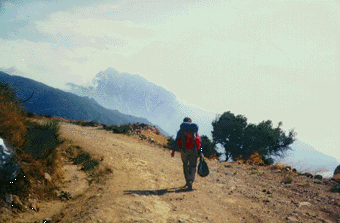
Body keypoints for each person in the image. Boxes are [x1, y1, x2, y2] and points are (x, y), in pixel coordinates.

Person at [171, 117, 203, 191]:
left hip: (184, 150)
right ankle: (191, 180)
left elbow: (176, 140)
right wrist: (200, 152)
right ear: (190, 122)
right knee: (193, 166)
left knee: (185, 165)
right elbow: (199, 141)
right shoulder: (194, 130)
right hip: (193, 150)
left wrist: (173, 151)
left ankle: (187, 181)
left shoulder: (181, 130)